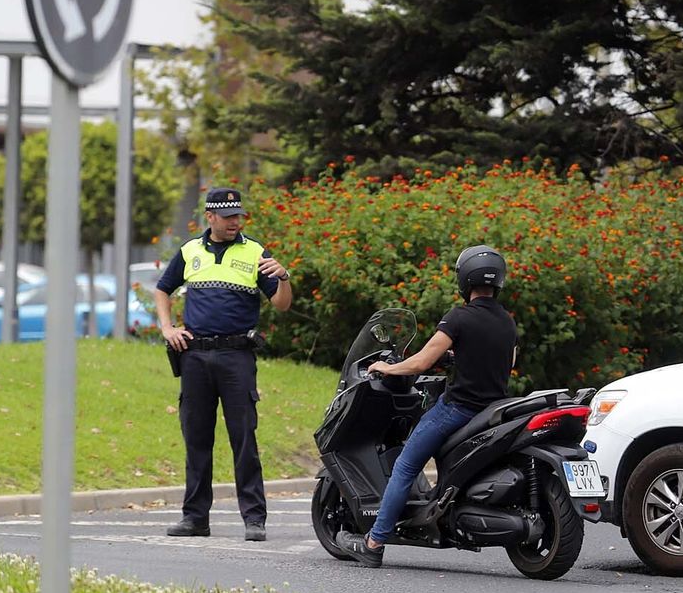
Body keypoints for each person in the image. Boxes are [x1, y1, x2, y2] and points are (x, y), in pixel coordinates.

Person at [337, 244, 517, 568]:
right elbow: (507, 361)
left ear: (465, 280)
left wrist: (386, 368)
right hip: (493, 410)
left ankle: (374, 542)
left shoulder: (459, 318)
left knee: (405, 466)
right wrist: (456, 358)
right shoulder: (507, 321)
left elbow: (420, 362)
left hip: (459, 409)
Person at [154, 187, 293, 541]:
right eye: (228, 216)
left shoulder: (255, 252)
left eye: (238, 216)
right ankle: (195, 518)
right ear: (210, 217)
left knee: (244, 437)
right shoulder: (190, 251)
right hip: (195, 357)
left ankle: (254, 519)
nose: (235, 222)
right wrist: (167, 327)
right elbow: (162, 289)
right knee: (196, 438)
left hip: (237, 356)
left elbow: (281, 304)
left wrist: (284, 277)